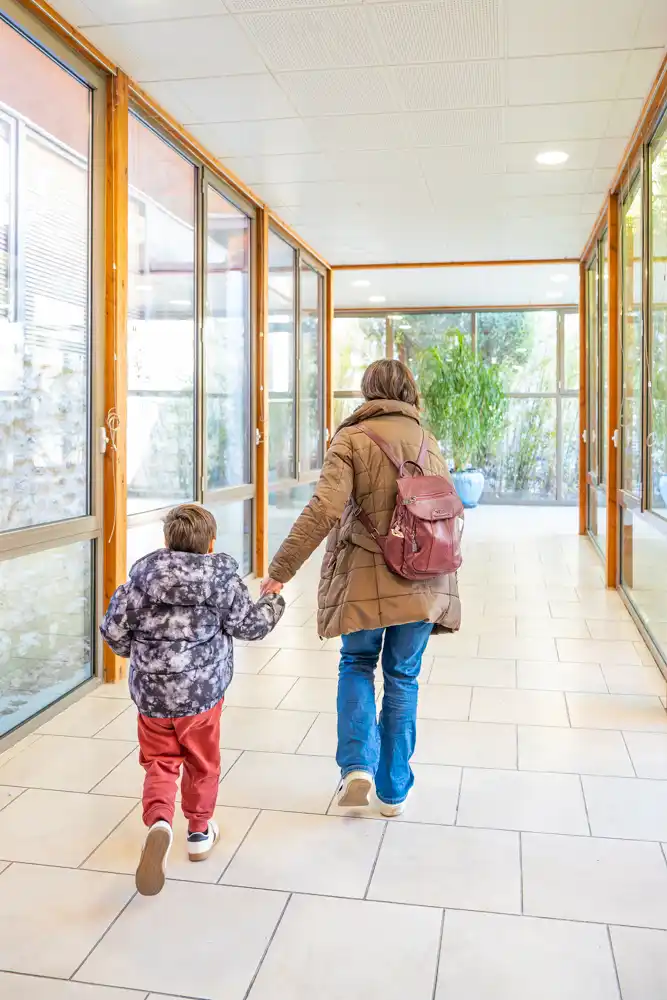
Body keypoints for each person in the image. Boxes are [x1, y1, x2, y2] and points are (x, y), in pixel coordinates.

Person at [262, 359, 461, 817]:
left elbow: (324, 509)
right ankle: (393, 791)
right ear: (408, 392)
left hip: (363, 578)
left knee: (357, 663)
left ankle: (357, 768)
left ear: (368, 391)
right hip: (424, 580)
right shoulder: (428, 440)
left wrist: (281, 569)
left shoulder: (351, 438)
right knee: (403, 677)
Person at [100, 503, 285, 896]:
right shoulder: (221, 583)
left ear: (167, 541)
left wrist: (142, 658)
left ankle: (159, 821)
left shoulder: (139, 583)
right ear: (211, 543)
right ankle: (199, 833)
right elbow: (250, 627)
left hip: (152, 698)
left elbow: (113, 631)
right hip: (201, 698)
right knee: (202, 762)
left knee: (159, 762)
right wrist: (273, 601)